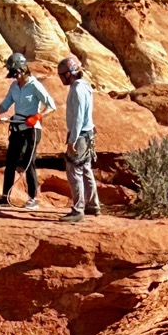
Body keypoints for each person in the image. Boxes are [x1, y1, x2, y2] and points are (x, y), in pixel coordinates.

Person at [0, 51, 56, 210]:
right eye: (13, 74)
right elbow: (5, 104)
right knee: (10, 162)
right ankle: (5, 196)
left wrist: (38, 116)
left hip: (31, 130)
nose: (15, 77)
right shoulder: (14, 86)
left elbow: (51, 105)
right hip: (17, 127)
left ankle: (33, 199)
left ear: (23, 69)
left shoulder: (34, 85)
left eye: (16, 73)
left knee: (28, 163)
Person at [58, 55, 100, 217]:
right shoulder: (85, 86)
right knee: (86, 169)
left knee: (74, 171)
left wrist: (72, 140)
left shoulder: (77, 89)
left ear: (69, 74)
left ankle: (78, 209)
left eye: (62, 75)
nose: (61, 78)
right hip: (88, 133)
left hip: (81, 136)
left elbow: (78, 118)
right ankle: (93, 205)